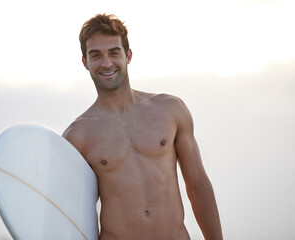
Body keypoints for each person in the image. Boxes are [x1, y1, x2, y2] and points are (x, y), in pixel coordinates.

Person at [63, 13, 223, 240]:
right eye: (96, 55)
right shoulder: (77, 136)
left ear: (128, 56)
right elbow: (68, 212)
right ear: (85, 62)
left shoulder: (169, 110)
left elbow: (197, 184)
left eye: (114, 52)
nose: (106, 63)